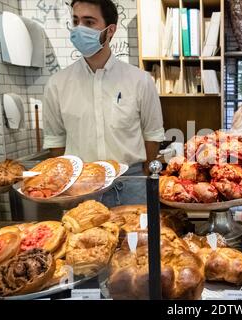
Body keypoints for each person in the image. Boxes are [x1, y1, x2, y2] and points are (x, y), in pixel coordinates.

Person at [43, 0, 164, 207]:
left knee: (137, 240)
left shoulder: (140, 81)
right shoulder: (57, 85)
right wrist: (68, 184)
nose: (80, 29)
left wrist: (140, 179)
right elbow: (56, 141)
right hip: (80, 187)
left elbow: (152, 135)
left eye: (89, 22)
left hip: (130, 186)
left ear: (110, 31)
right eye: (76, 21)